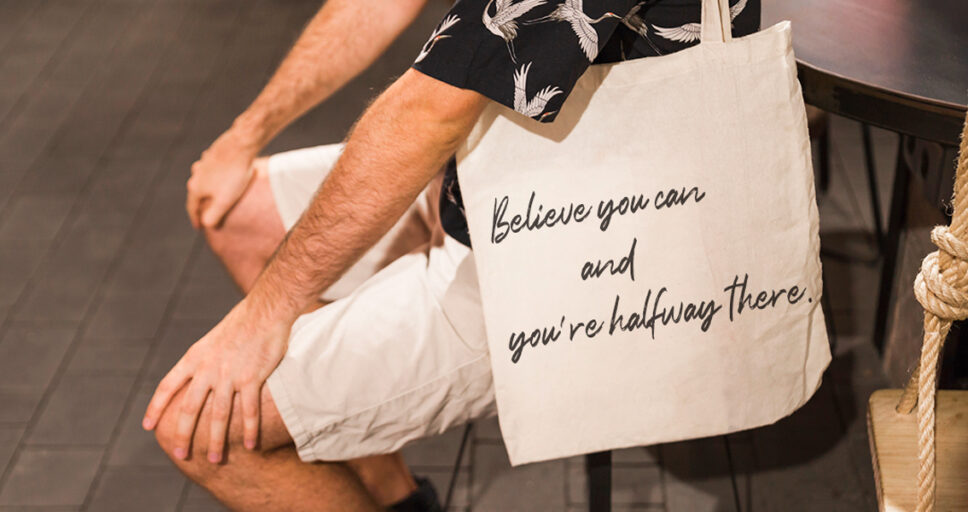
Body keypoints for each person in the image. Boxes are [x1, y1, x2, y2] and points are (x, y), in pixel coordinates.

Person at [142, 0, 760, 510]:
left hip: (574, 246)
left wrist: (265, 315)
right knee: (240, 215)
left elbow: (431, 109)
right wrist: (243, 135)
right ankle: (396, 499)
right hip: (476, 176)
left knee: (202, 432)